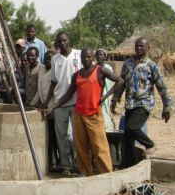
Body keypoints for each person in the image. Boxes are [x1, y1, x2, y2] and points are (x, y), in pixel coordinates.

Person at [45, 48, 123, 176]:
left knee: (99, 146)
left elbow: (120, 81)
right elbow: (67, 95)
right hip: (79, 114)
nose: (86, 59)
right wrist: (53, 107)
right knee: (81, 146)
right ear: (80, 59)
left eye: (88, 57)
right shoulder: (77, 75)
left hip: (94, 114)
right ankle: (85, 173)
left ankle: (107, 173)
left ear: (92, 58)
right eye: (83, 57)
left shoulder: (99, 70)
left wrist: (105, 96)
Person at [111, 37, 174, 168]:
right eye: (137, 46)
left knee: (132, 128)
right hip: (130, 104)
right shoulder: (127, 63)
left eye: (142, 46)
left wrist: (167, 106)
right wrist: (116, 98)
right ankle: (128, 165)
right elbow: (122, 82)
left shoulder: (152, 66)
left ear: (147, 48)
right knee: (127, 137)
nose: (139, 48)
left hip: (144, 103)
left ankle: (150, 144)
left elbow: (161, 86)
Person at [41, 32, 81, 175]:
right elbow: (53, 82)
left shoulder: (79, 55)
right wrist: (46, 101)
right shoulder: (55, 59)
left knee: (77, 136)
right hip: (59, 104)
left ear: (69, 40)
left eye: (64, 40)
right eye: (60, 41)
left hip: (76, 102)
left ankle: (79, 164)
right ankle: (66, 165)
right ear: (57, 44)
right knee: (61, 136)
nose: (62, 43)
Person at [28, 51, 59, 170]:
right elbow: (39, 89)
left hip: (53, 107)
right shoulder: (41, 70)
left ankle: (61, 161)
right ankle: (52, 162)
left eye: (50, 59)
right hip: (44, 108)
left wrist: (47, 104)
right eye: (46, 58)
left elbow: (54, 90)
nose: (47, 61)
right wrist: (32, 104)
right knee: (49, 136)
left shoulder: (55, 72)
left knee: (57, 136)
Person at [95, 49, 114, 130]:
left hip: (106, 95)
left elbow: (110, 83)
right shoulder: (93, 68)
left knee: (105, 112)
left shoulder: (108, 68)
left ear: (105, 57)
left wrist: (106, 96)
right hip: (96, 95)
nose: (99, 56)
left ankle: (106, 131)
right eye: (97, 54)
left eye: (101, 54)